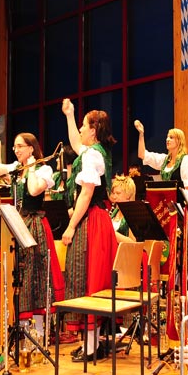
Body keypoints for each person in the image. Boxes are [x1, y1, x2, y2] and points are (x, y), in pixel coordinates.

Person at [0, 127, 64, 334]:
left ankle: (40, 330)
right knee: (21, 275)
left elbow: (33, 190)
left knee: (37, 274)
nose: (16, 150)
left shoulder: (44, 170)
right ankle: (22, 327)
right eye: (14, 147)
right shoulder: (16, 168)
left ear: (31, 148)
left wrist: (31, 167)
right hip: (18, 225)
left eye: (20, 146)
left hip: (35, 226)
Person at [61, 98, 118, 361]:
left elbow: (86, 193)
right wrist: (70, 115)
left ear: (93, 131)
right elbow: (76, 143)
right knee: (87, 278)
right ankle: (91, 343)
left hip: (92, 222)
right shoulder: (93, 151)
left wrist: (71, 226)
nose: (81, 130)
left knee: (88, 280)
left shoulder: (92, 155)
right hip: (96, 219)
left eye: (84, 126)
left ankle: (93, 346)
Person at [134, 120, 188, 190]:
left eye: (171, 137)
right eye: (167, 137)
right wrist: (141, 134)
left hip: (179, 196)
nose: (167, 139)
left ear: (179, 141)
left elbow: (187, 187)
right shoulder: (164, 160)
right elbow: (142, 154)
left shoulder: (185, 160)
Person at [109, 174, 136, 243]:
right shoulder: (115, 212)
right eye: (113, 193)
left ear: (128, 195)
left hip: (124, 250)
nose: (114, 197)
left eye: (118, 193)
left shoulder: (133, 214)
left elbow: (133, 243)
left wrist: (111, 232)